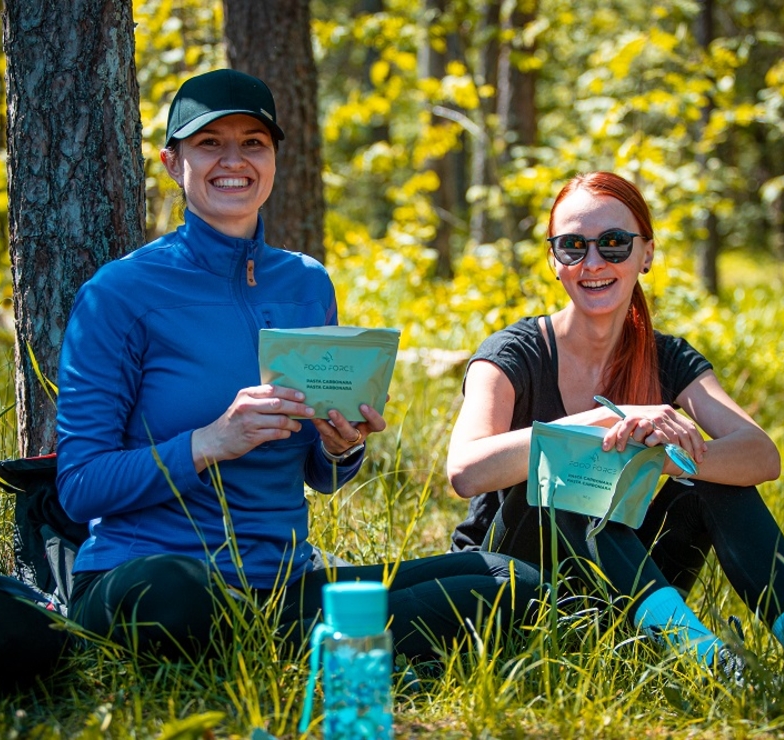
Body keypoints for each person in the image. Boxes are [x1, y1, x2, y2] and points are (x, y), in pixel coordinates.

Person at [55, 69, 541, 661]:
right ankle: (336, 646)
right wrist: (210, 442)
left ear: (275, 159)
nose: (233, 159)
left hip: (283, 582)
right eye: (210, 143)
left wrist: (340, 447)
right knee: (171, 594)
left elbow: (322, 475)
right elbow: (79, 488)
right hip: (153, 577)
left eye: (252, 143)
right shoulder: (121, 293)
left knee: (510, 581)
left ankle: (292, 643)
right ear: (170, 161)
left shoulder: (307, 283)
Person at [446, 171, 784, 675]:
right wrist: (610, 422)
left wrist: (669, 456)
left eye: (614, 243)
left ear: (645, 254)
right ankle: (707, 661)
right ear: (553, 260)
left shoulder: (668, 358)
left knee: (713, 479)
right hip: (513, 585)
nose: (593, 263)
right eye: (572, 246)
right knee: (576, 468)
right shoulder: (513, 354)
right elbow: (465, 471)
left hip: (625, 591)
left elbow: (762, 456)